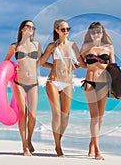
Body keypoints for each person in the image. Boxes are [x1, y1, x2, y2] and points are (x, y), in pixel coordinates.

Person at [37, 19, 86, 157]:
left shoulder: (73, 46)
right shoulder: (52, 46)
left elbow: (81, 63)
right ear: (57, 31)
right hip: (53, 81)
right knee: (57, 114)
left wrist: (100, 65)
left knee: (66, 116)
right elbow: (40, 62)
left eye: (68, 29)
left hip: (68, 82)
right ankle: (58, 147)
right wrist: (52, 66)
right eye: (63, 29)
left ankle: (58, 140)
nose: (66, 32)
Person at [4, 20, 41, 156]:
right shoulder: (14, 46)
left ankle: (29, 140)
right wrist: (8, 74)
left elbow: (40, 62)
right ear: (21, 29)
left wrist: (57, 66)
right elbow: (6, 62)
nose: (30, 28)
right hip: (19, 83)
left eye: (32, 27)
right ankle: (24, 145)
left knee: (32, 115)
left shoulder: (36, 45)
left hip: (33, 83)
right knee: (22, 114)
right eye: (28, 26)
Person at [80, 21, 115, 160]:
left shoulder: (109, 47)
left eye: (98, 31)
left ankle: (92, 143)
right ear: (90, 33)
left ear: (102, 32)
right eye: (93, 32)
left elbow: (113, 66)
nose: (96, 34)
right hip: (90, 83)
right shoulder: (85, 47)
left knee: (100, 117)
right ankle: (97, 151)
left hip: (104, 83)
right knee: (94, 117)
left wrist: (117, 86)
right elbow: (81, 62)